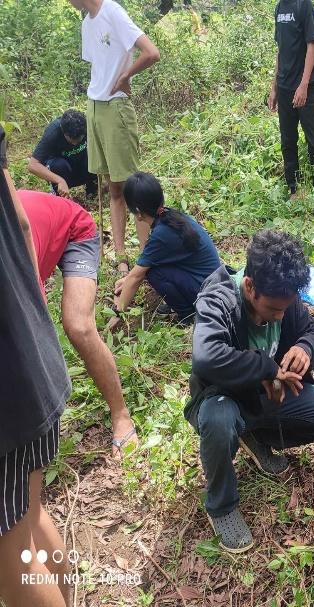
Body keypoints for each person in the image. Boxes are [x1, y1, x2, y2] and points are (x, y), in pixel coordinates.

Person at [186, 230, 314, 552]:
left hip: (269, 395)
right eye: (273, 310)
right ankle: (221, 504)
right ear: (250, 287)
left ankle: (256, 437)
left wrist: (306, 348)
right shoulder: (219, 300)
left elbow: (310, 331)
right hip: (225, 398)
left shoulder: (283, 297)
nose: (280, 316)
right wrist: (267, 367)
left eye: (285, 309)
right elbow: (206, 357)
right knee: (220, 421)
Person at [0, 126, 71, 606]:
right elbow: (23, 226)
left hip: (6, 391)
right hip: (32, 359)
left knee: (8, 554)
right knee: (28, 515)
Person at [18, 189, 137, 457]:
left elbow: (33, 333)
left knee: (78, 326)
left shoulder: (13, 255)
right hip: (41, 232)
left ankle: (121, 415)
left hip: (75, 229)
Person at [67, 0, 160, 274]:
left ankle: (146, 262)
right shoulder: (87, 22)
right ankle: (121, 257)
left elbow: (151, 52)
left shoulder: (113, 12)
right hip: (94, 106)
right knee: (113, 187)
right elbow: (100, 66)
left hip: (115, 107)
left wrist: (126, 76)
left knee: (133, 187)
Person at [109, 172, 220, 326]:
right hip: (213, 284)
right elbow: (135, 274)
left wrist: (117, 312)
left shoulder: (162, 234)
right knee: (153, 265)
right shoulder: (168, 216)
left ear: (138, 213)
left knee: (153, 272)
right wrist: (127, 279)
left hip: (209, 294)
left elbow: (136, 277)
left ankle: (189, 315)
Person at [268, 0, 314, 197]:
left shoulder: (304, 5)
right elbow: (280, 50)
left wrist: (303, 85)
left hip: (304, 87)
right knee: (288, 140)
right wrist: (274, 87)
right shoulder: (278, 8)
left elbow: (312, 45)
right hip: (284, 87)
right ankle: (294, 189)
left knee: (313, 140)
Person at [27, 108, 97, 199]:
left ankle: (92, 191)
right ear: (64, 132)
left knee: (93, 155)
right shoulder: (53, 132)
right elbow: (32, 165)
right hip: (62, 170)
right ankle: (61, 197)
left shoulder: (87, 126)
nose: (75, 143)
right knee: (59, 165)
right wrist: (60, 180)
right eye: (71, 139)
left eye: (78, 139)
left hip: (81, 166)